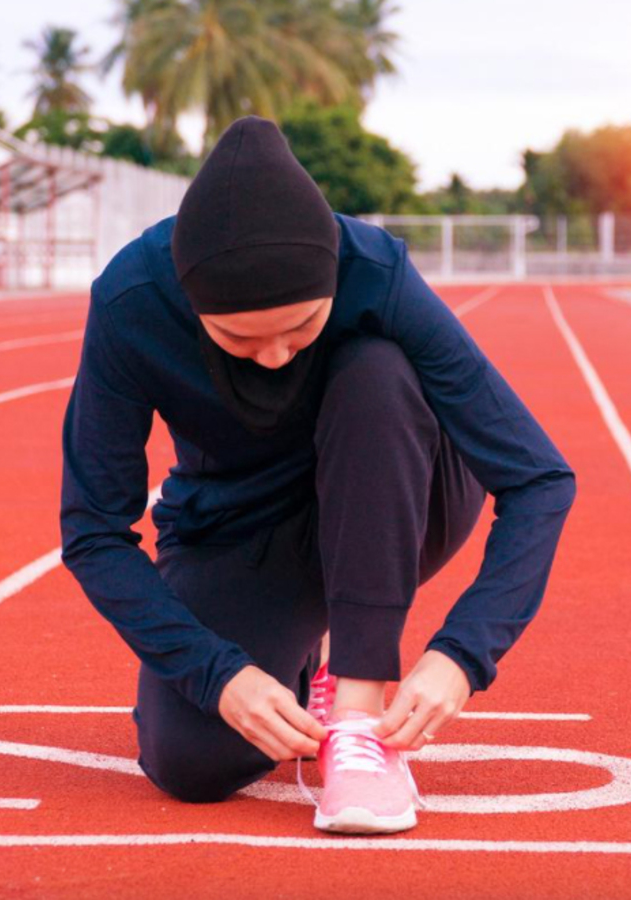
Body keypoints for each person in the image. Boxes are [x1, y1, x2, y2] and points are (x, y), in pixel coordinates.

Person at [59, 115, 577, 834]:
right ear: (188, 298)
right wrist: (220, 674)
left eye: (300, 328)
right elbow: (93, 531)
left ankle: (360, 719)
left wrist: (462, 655)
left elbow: (539, 477)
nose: (274, 357)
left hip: (400, 488)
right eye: (239, 339)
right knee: (191, 764)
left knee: (376, 370)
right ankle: (312, 651)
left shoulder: (376, 269)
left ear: (333, 274)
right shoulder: (129, 303)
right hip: (242, 527)